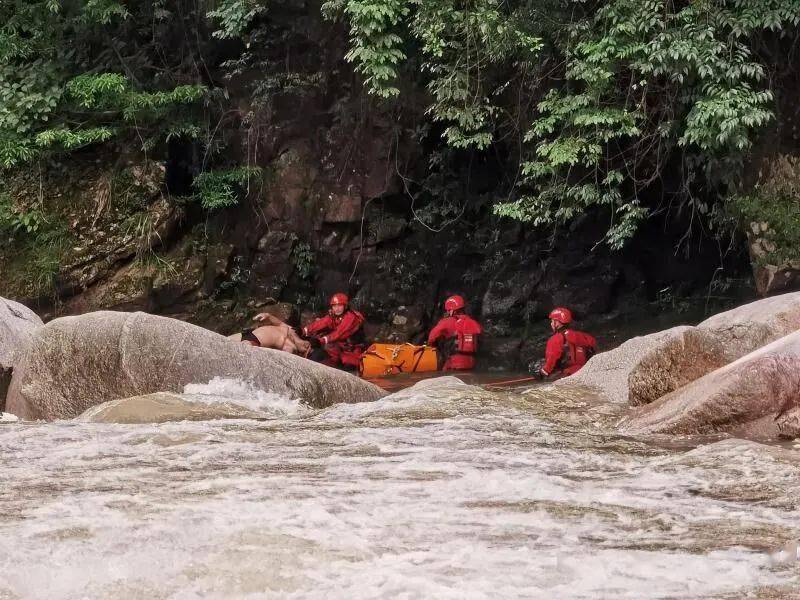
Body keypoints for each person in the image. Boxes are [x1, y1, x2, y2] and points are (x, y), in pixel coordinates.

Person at [302, 293, 366, 369]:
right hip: (338, 348)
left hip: (352, 351)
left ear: (345, 306)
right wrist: (303, 331)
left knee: (348, 367)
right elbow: (321, 323)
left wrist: (321, 341)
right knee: (317, 355)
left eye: (339, 305)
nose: (337, 309)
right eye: (334, 306)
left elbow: (339, 332)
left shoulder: (351, 317)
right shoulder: (334, 315)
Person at [531, 307, 596, 379]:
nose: (551, 324)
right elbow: (593, 346)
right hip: (585, 370)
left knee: (536, 367)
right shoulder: (583, 335)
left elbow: (552, 358)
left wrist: (543, 372)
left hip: (566, 374)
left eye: (552, 321)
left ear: (557, 323)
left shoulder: (555, 339)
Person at [427, 295, 482, 371]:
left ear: (452, 310)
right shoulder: (474, 323)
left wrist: (432, 345)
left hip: (453, 363)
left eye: (448, 310)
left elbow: (432, 337)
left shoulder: (446, 322)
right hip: (471, 364)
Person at [231, 313, 311, 356]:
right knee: (223, 342)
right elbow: (279, 322)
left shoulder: (291, 346)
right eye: (308, 344)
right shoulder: (291, 330)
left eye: (306, 349)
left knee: (241, 348)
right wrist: (268, 316)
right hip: (248, 333)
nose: (307, 345)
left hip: (254, 342)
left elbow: (284, 356)